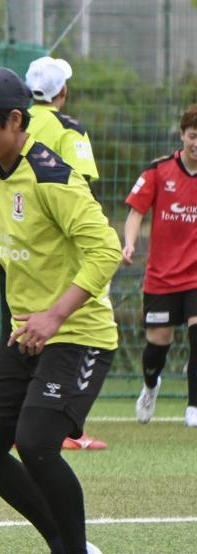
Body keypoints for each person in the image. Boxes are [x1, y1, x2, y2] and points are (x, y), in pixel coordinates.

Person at [0, 67, 119, 554]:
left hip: (78, 333)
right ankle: (67, 549)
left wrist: (54, 315)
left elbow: (106, 251)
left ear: (15, 121)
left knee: (37, 441)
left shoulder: (54, 177)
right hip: (29, 332)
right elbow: (16, 232)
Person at [24, 55, 106, 450]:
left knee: (26, 328)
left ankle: (28, 421)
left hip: (21, 243)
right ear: (63, 91)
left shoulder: (15, 122)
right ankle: (66, 426)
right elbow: (81, 188)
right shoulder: (68, 127)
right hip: (62, 247)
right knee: (79, 326)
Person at [122, 105, 197, 427]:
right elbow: (136, 211)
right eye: (193, 136)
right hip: (162, 275)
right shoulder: (158, 171)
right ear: (182, 135)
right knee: (157, 344)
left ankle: (193, 407)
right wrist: (129, 242)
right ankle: (151, 386)